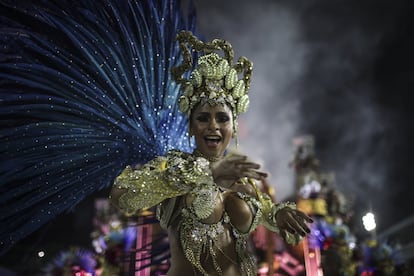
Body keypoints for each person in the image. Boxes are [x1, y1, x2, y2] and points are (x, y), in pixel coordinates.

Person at [110, 30, 313, 276]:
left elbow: (268, 211)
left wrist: (280, 215)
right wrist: (208, 175)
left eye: (222, 118)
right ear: (192, 126)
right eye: (203, 118)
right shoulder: (174, 168)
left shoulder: (241, 177)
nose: (213, 126)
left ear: (234, 126)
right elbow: (121, 195)